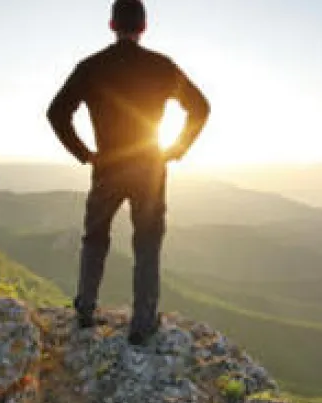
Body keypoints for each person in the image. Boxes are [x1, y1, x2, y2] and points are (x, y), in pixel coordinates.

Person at [47, 0, 210, 345]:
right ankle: (142, 322)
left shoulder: (91, 67)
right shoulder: (162, 67)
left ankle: (86, 310)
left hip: (107, 166)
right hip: (150, 168)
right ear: (144, 27)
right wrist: (177, 149)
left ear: (112, 25)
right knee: (147, 243)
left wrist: (85, 154)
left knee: (95, 238)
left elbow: (56, 113)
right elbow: (201, 107)